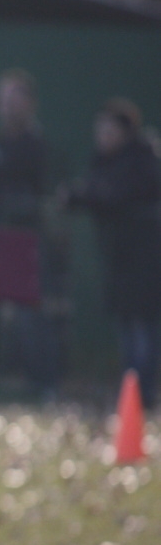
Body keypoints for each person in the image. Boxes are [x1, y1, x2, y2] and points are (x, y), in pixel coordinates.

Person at [65, 98, 161, 408]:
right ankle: (131, 393)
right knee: (127, 329)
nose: (102, 136)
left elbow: (112, 194)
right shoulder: (104, 162)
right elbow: (93, 193)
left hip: (146, 262)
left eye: (108, 130)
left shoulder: (143, 161)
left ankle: (142, 393)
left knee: (142, 329)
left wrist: (85, 195)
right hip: (120, 263)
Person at [0, 69, 61, 397]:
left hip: (26, 244)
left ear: (30, 104)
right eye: (3, 99)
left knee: (32, 318)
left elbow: (43, 196)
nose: (8, 106)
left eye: (15, 99)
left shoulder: (38, 146)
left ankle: (43, 385)